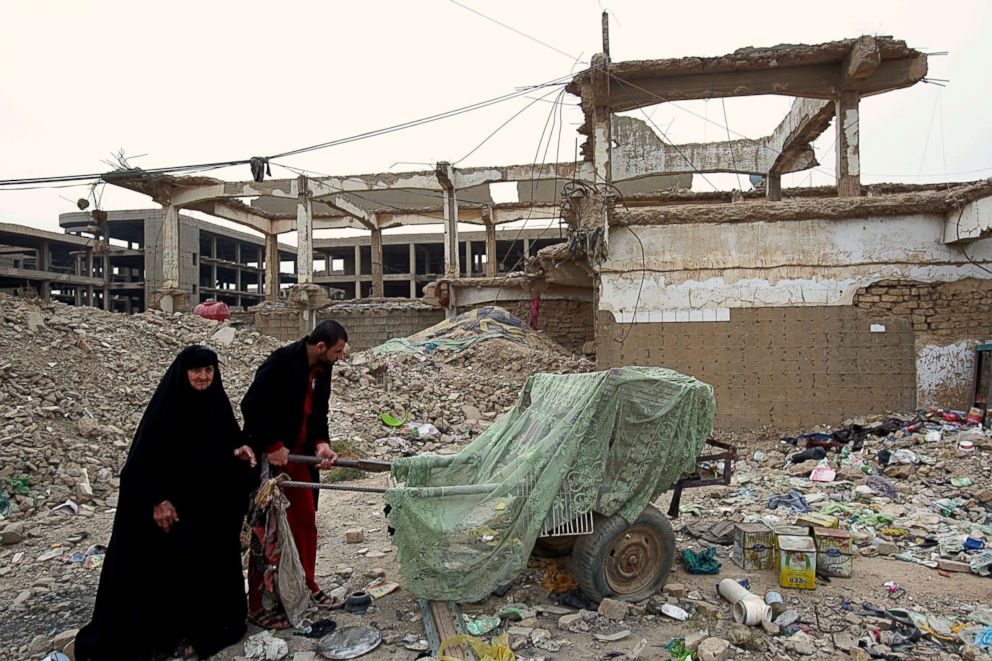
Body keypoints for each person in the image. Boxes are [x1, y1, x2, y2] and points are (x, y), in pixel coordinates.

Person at [75, 346, 258, 661]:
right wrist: (158, 500)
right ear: (183, 373)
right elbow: (137, 466)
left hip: (204, 512)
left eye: (208, 371)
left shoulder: (216, 404)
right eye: (196, 371)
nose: (202, 377)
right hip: (169, 513)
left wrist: (242, 449)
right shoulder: (167, 408)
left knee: (207, 568)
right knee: (163, 577)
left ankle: (204, 630)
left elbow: (229, 439)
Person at [242, 320, 347, 626]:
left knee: (305, 524)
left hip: (300, 458)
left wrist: (321, 445)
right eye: (338, 351)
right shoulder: (281, 364)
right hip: (272, 462)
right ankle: (258, 605)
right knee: (268, 532)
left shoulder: (323, 370)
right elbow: (251, 406)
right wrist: (273, 444)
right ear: (321, 347)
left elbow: (319, 413)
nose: (341, 357)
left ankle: (306, 585)